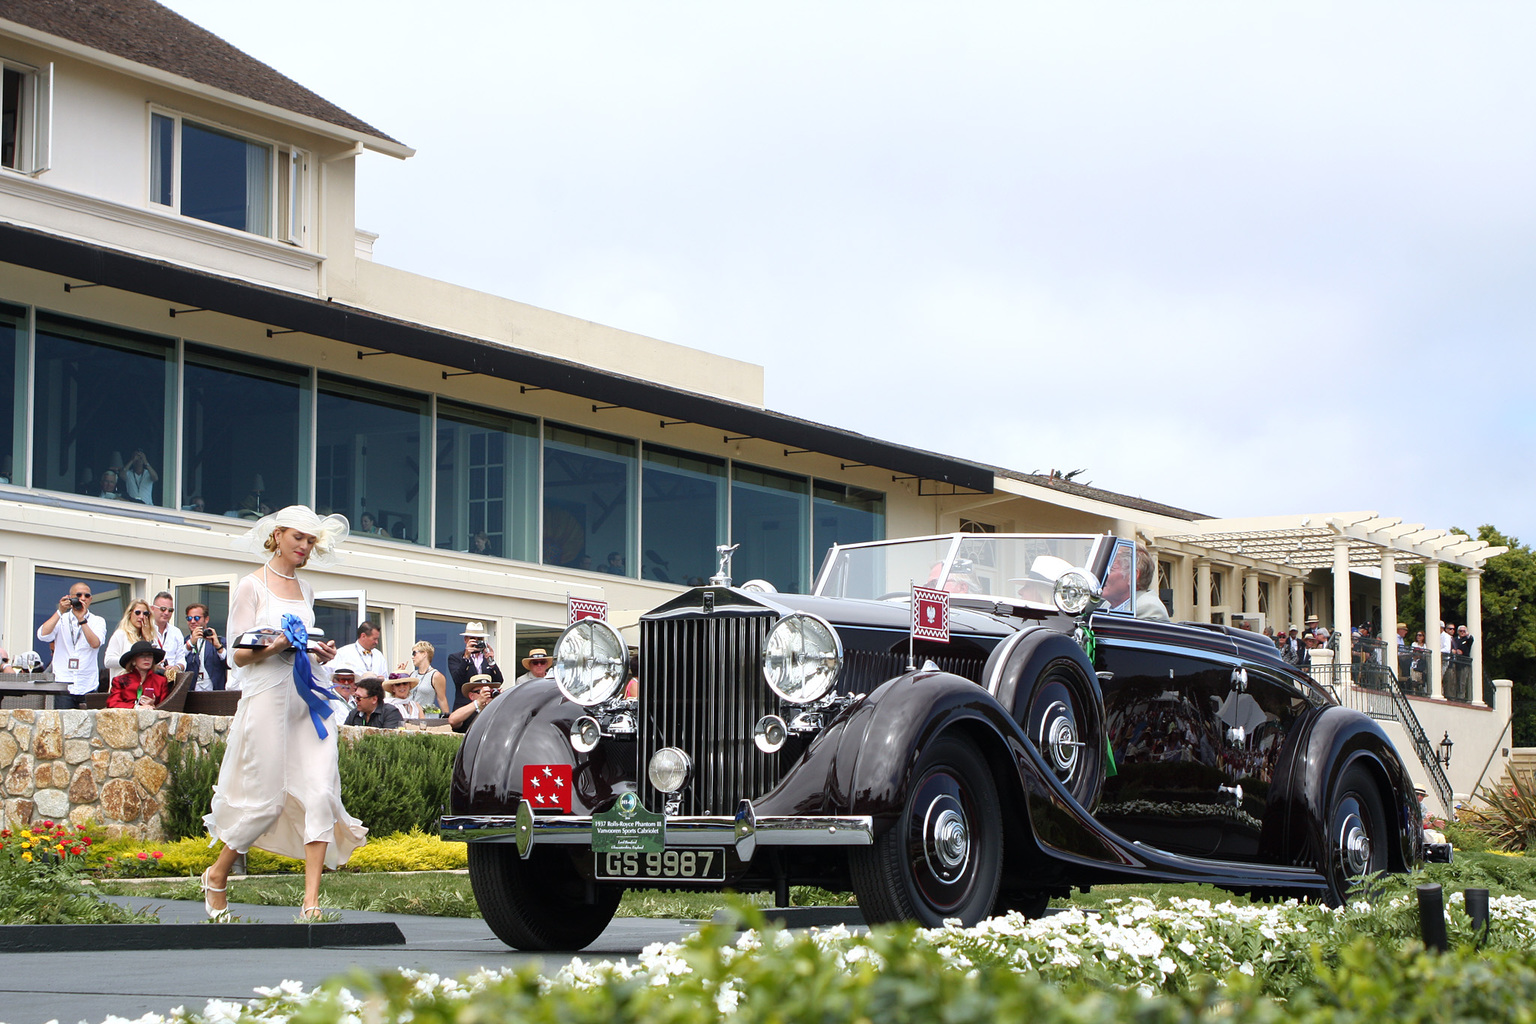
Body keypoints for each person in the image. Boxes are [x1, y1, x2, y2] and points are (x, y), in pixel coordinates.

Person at [201, 505, 365, 922]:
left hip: (308, 698)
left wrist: (320, 652)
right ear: (277, 535)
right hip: (267, 699)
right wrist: (275, 647)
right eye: (299, 538)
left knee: (321, 792)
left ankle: (311, 903)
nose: (305, 547)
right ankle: (217, 875)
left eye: (311, 542)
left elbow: (308, 645)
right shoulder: (250, 587)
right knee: (266, 801)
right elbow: (238, 655)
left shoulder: (307, 590)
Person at [36, 582, 105, 709]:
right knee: (64, 726)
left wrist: (82, 620)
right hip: (63, 683)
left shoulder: (98, 621)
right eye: (78, 595)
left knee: (88, 727)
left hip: (87, 684)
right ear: (70, 597)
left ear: (91, 599)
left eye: (87, 595)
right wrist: (60, 611)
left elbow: (95, 643)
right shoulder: (61, 618)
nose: (83, 598)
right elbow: (42, 635)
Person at [447, 622, 501, 710]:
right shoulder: (455, 658)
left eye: (479, 639)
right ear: (465, 640)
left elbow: (499, 681)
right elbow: (458, 680)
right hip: (465, 706)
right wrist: (466, 657)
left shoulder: (486, 658)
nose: (476, 642)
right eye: (473, 639)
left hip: (485, 706)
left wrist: (491, 662)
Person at [181, 603, 229, 691]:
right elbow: (178, 661)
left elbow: (229, 664)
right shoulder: (183, 643)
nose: (192, 621)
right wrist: (190, 644)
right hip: (191, 692)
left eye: (196, 618)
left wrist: (218, 646)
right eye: (189, 618)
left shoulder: (219, 641)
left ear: (206, 619)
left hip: (214, 692)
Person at [107, 641, 169, 708]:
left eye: (150, 655)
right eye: (142, 655)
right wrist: (137, 707)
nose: (147, 658)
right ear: (133, 660)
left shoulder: (161, 681)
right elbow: (112, 703)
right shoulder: (120, 680)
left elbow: (166, 707)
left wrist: (153, 705)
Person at [103, 599, 157, 674]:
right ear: (130, 614)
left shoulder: (150, 636)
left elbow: (156, 661)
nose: (141, 616)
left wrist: (148, 638)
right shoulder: (121, 634)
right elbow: (108, 661)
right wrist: (131, 660)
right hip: (123, 683)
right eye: (137, 613)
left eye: (145, 613)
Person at [400, 641, 448, 711]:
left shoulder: (435, 675)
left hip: (424, 718)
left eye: (414, 653)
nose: (412, 657)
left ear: (424, 654)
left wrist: (447, 719)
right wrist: (400, 674)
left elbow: (442, 699)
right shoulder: (412, 674)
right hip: (408, 716)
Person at [150, 591, 188, 674]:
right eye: (163, 609)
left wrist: (176, 667)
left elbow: (182, 661)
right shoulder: (145, 630)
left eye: (170, 610)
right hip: (150, 678)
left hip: (170, 680)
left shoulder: (176, 632)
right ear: (152, 609)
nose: (166, 613)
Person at [1132, 543, 1170, 621]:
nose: (1105, 573)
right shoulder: (1108, 604)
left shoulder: (1147, 608)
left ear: (1133, 575)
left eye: (1112, 569)